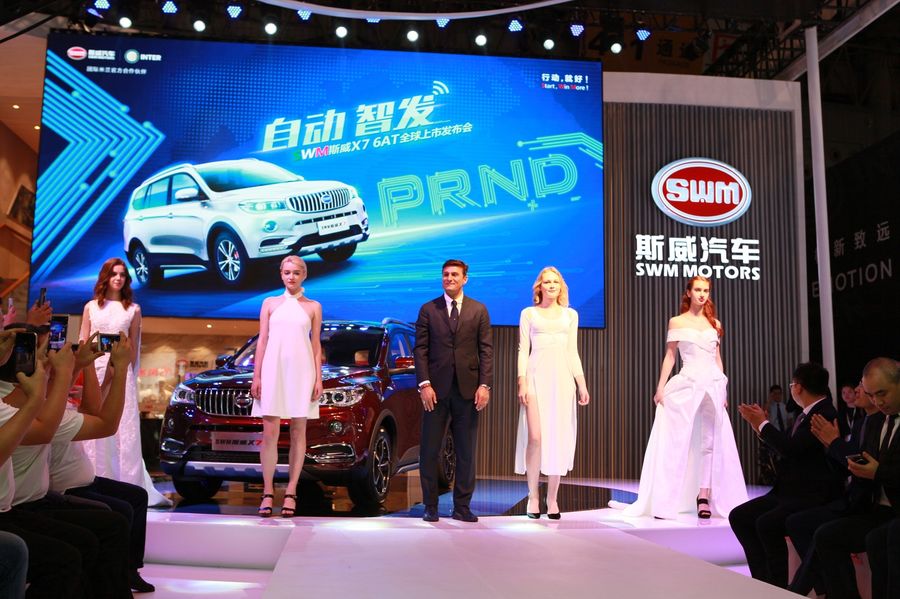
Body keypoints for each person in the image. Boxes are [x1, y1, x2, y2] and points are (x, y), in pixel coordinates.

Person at [621, 276, 746, 520]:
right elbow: (670, 356)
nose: (702, 294)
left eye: (706, 290)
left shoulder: (714, 323)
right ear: (688, 292)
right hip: (687, 383)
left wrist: (723, 388)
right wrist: (660, 388)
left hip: (713, 384)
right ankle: (667, 500)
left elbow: (717, 358)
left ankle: (704, 497)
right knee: (677, 440)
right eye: (697, 289)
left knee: (710, 440)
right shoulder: (676, 321)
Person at [730, 361, 844, 589]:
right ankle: (762, 579)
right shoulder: (807, 414)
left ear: (798, 387)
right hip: (789, 490)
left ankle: (776, 586)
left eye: (792, 385)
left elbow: (790, 449)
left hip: (810, 494)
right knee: (739, 516)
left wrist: (762, 424)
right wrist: (759, 426)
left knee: (766, 524)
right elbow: (788, 446)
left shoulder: (822, 414)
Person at [79, 257, 171, 507]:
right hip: (95, 370)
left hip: (121, 373)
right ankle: (91, 479)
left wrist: (119, 371)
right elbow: (83, 342)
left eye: (122, 275)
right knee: (93, 422)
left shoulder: (133, 310)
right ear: (105, 277)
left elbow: (133, 347)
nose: (118, 278)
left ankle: (125, 483)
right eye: (114, 274)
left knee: (122, 427)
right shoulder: (91, 307)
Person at [812, 357, 900, 599]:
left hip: (893, 513)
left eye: (882, 393)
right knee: (826, 535)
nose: (878, 402)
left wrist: (877, 472)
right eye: (872, 395)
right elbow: (862, 466)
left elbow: (877, 470)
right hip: (874, 508)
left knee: (881, 539)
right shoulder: (874, 422)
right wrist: (834, 446)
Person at [786, 379, 882, 595]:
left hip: (865, 503)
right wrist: (831, 446)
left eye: (862, 386)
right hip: (852, 499)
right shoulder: (861, 423)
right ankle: (818, 587)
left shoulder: (880, 423)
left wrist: (835, 443)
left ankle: (800, 590)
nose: (856, 390)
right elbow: (846, 468)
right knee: (797, 523)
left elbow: (862, 467)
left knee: (825, 533)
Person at [414, 259, 493, 523]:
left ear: (465, 279)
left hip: (468, 391)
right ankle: (430, 506)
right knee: (429, 451)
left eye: (455, 275)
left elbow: (486, 350)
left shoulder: (478, 310)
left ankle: (462, 507)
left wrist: (484, 385)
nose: (449, 278)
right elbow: (420, 350)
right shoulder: (428, 309)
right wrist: (424, 384)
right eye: (446, 274)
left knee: (466, 452)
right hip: (435, 391)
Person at [250, 255, 322, 518]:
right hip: (272, 370)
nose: (291, 277)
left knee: (298, 432)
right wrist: (257, 376)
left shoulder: (313, 306)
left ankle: (291, 491)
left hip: (302, 371)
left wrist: (318, 378)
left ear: (304, 275)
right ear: (281, 274)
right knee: (269, 432)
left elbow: (316, 345)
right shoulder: (269, 303)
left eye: (296, 273)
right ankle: (268, 491)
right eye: (287, 272)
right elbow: (262, 341)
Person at [514, 267, 589, 519]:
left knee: (558, 438)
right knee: (535, 437)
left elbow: (572, 351)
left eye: (555, 281)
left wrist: (581, 384)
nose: (551, 285)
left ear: (561, 286)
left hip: (563, 381)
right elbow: (523, 350)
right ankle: (533, 496)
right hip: (536, 379)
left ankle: (553, 498)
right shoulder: (529, 313)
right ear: (540, 286)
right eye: (547, 282)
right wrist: (522, 382)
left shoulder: (570, 315)